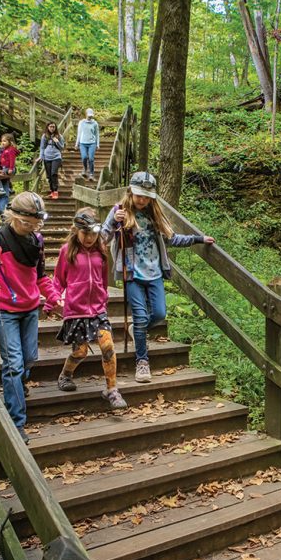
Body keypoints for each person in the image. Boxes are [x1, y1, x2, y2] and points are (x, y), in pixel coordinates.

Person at [101, 172, 215, 383]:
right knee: (142, 317)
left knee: (159, 314)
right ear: (131, 192)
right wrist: (115, 225)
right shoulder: (119, 211)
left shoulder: (155, 215)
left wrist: (198, 239)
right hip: (132, 273)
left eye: (146, 196)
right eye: (138, 195)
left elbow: (172, 239)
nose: (142, 199)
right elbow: (102, 238)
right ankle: (142, 362)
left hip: (155, 273)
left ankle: (136, 330)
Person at [0, 192, 53, 444]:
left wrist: (54, 296)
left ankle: (17, 386)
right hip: (4, 310)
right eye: (27, 222)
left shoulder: (37, 240)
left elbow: (41, 276)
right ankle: (16, 423)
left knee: (29, 359)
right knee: (13, 364)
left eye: (35, 223)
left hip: (31, 308)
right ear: (14, 216)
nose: (31, 227)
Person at [45, 208, 127, 410]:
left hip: (98, 310)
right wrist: (51, 300)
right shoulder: (67, 251)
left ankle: (112, 390)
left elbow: (103, 278)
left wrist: (104, 297)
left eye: (93, 233)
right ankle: (66, 374)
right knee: (80, 352)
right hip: (76, 310)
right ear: (76, 231)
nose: (90, 238)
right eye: (86, 233)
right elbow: (58, 280)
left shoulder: (101, 250)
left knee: (108, 347)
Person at [39, 122, 65, 199]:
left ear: (55, 128)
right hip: (47, 157)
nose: (52, 128)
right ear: (47, 127)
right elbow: (42, 147)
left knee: (54, 173)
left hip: (56, 157)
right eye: (50, 127)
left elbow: (62, 148)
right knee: (49, 175)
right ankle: (52, 191)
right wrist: (41, 156)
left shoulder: (59, 136)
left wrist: (57, 141)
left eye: (53, 127)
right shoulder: (44, 136)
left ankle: (55, 191)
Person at [75, 108, 100, 181]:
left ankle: (91, 173)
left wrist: (98, 144)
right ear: (86, 114)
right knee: (84, 157)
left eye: (91, 115)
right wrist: (77, 143)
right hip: (83, 143)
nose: (90, 117)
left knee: (91, 158)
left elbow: (97, 134)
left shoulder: (95, 123)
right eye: (89, 115)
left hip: (92, 143)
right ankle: (85, 169)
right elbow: (79, 133)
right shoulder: (81, 122)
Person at [0, 133, 19, 198]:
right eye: (2, 141)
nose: (2, 142)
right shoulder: (6, 149)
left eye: (4, 141)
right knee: (4, 177)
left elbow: (12, 159)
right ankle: (9, 189)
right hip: (5, 168)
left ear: (10, 142)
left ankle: (1, 189)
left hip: (9, 168)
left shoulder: (11, 150)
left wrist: (11, 168)